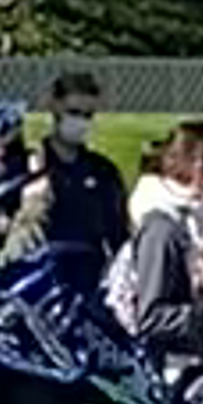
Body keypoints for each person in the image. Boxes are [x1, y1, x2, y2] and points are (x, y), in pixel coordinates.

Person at [113, 119, 203, 348]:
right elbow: (151, 319)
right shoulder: (162, 229)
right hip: (168, 363)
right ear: (197, 165)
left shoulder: (202, 215)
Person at [28, 77, 130, 286]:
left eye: (88, 115)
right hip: (42, 278)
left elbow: (118, 235)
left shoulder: (103, 172)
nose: (81, 122)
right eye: (73, 113)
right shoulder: (30, 166)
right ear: (55, 107)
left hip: (90, 280)